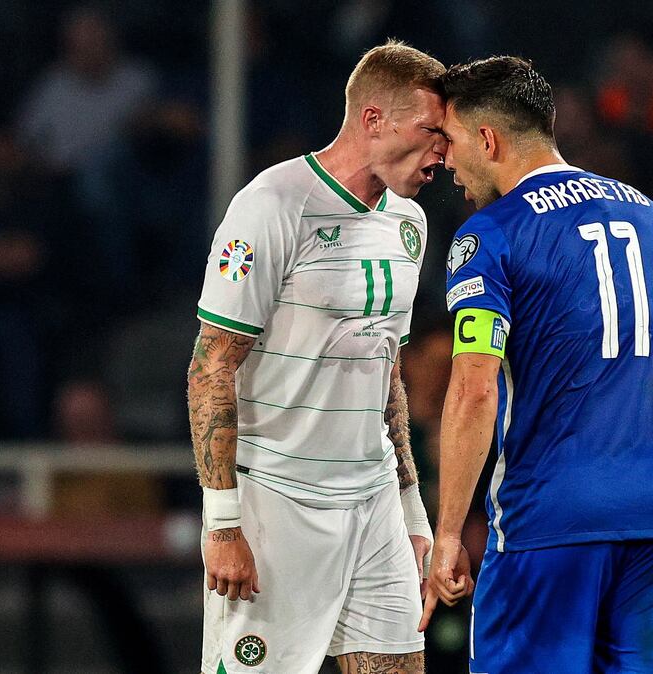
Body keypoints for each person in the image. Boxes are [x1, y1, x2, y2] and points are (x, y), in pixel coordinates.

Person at [419, 57, 653, 674]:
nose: (445, 163)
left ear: (489, 140)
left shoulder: (488, 236)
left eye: (450, 141)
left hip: (549, 524)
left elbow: (475, 389)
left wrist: (447, 533)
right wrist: (652, 491)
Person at [188, 41, 446, 674]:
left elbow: (385, 372)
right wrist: (222, 522)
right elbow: (211, 366)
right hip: (277, 501)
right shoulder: (272, 205)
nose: (444, 150)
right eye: (431, 131)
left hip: (373, 498)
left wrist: (411, 507)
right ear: (374, 119)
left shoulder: (408, 226)